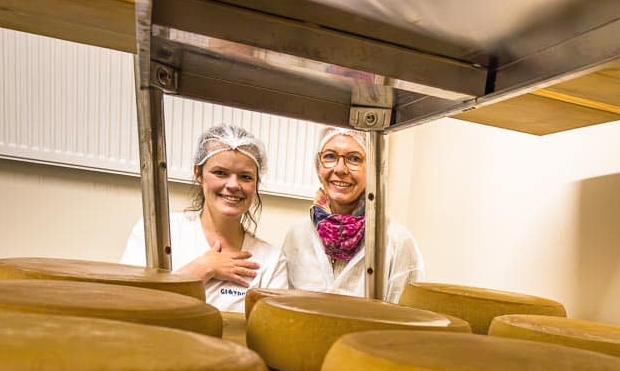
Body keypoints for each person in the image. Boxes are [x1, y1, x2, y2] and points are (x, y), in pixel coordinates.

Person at [122, 124, 288, 312]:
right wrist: (202, 268)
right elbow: (129, 302)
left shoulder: (271, 261)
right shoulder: (157, 233)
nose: (233, 185)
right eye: (220, 173)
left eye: (245, 177)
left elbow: (272, 327)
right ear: (198, 173)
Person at [280, 127, 423, 303]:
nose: (340, 169)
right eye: (330, 156)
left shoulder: (397, 241)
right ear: (318, 166)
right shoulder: (297, 235)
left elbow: (408, 319)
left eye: (354, 158)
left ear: (373, 169)